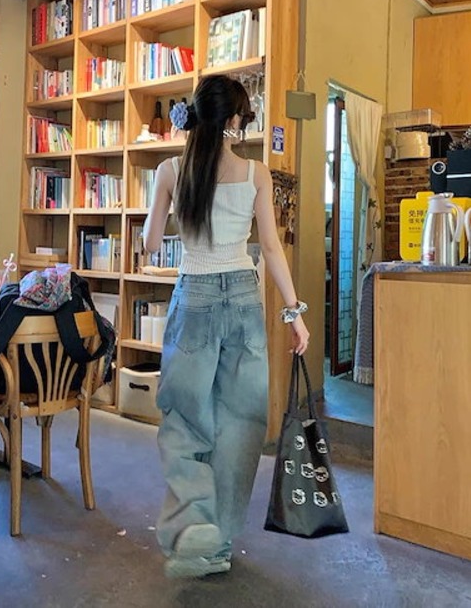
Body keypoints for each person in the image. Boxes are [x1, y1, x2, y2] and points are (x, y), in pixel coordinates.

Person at [143, 74, 309, 579]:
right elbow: (271, 248)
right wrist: (294, 312)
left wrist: (164, 208)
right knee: (240, 423)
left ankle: (192, 529)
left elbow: (150, 244)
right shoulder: (257, 173)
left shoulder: (170, 170)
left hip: (193, 293)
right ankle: (218, 543)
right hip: (241, 296)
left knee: (186, 418)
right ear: (235, 119)